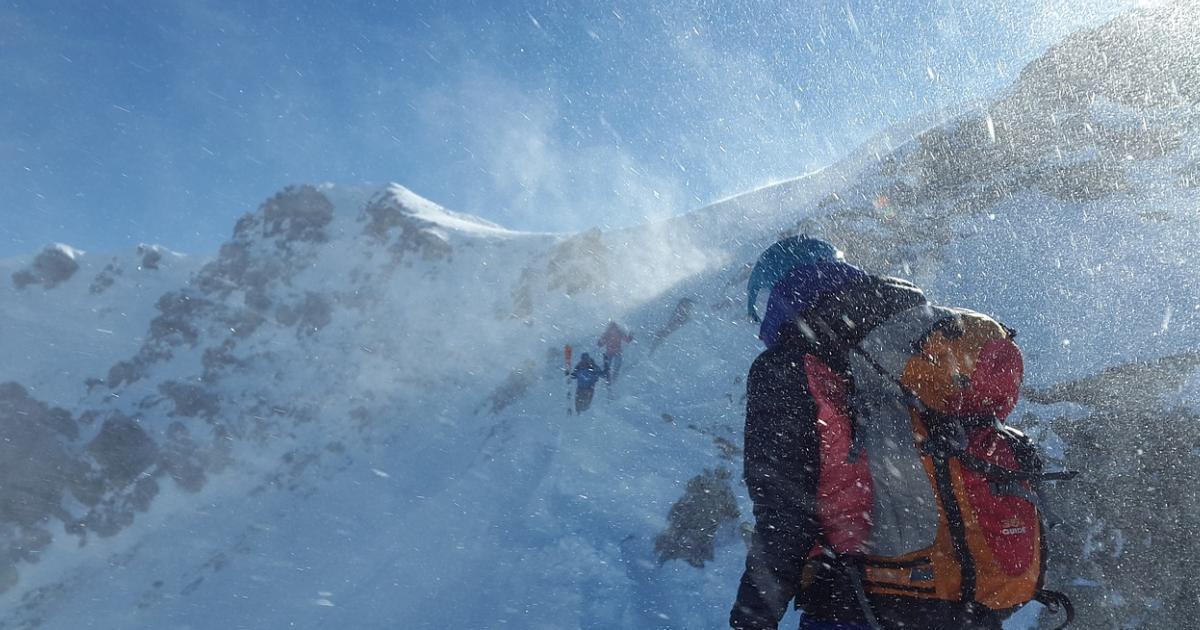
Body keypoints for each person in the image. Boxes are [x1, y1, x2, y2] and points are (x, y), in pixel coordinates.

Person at [731, 236, 1040, 630]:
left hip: (863, 600)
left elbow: (785, 512)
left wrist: (752, 615)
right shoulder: (917, 337)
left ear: (775, 294)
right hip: (967, 603)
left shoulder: (790, 363)